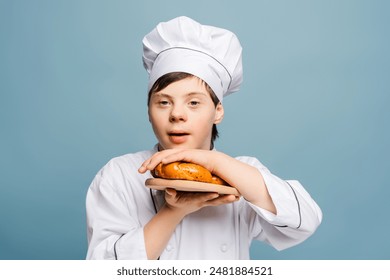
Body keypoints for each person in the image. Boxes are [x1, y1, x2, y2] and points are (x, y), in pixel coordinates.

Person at [86, 16, 322, 260]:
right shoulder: (120, 175)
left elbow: (304, 222)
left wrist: (215, 163)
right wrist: (173, 211)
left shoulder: (242, 174)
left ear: (217, 111)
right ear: (149, 111)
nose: (177, 114)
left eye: (194, 102)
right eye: (164, 102)